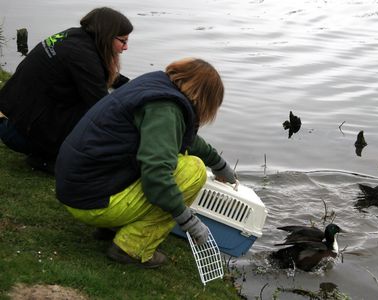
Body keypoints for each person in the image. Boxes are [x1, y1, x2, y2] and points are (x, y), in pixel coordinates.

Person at [55, 58, 237, 268]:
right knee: (193, 170)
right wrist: (189, 221)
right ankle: (131, 248)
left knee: (171, 157)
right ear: (204, 98)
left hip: (77, 188)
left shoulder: (155, 87)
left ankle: (111, 227)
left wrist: (218, 164)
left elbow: (181, 137)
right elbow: (157, 178)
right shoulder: (166, 109)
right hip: (93, 201)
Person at [0, 7, 133, 173]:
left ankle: (50, 151)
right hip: (18, 133)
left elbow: (98, 72)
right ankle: (45, 157)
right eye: (123, 41)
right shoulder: (83, 57)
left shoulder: (75, 37)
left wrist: (133, 85)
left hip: (12, 116)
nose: (125, 47)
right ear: (106, 36)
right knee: (97, 118)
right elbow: (103, 109)